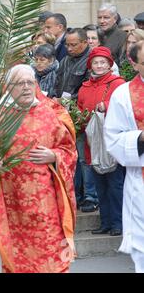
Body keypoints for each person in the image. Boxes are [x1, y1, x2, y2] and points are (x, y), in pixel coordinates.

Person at [0, 64, 77, 273]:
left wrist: (54, 155)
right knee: (14, 259)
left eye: (30, 83)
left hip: (45, 203)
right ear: (8, 87)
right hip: (9, 203)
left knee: (51, 256)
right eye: (20, 83)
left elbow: (69, 151)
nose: (26, 88)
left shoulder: (49, 114)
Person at [104, 40, 144, 272]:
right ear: (134, 63)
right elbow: (113, 138)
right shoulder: (123, 94)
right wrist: (139, 138)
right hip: (140, 179)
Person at [77, 46, 125, 235]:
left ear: (109, 65)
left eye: (103, 62)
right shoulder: (85, 86)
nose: (99, 65)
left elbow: (124, 108)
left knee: (115, 184)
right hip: (92, 141)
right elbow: (80, 107)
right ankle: (105, 222)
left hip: (111, 141)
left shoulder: (118, 84)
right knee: (100, 185)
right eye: (96, 62)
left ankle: (118, 223)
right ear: (90, 65)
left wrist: (107, 105)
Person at [53, 28, 91, 99]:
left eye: (73, 45)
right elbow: (56, 81)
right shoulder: (65, 60)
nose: (69, 49)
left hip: (76, 106)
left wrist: (66, 100)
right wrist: (54, 96)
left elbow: (88, 89)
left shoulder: (92, 60)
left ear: (85, 42)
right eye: (67, 45)